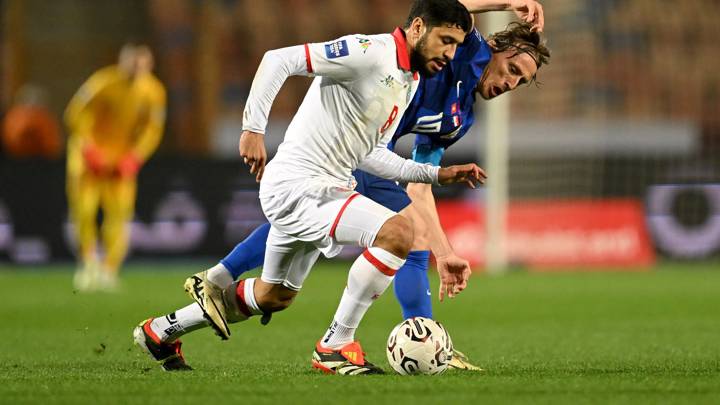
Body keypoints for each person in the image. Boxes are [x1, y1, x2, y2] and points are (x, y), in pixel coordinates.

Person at [135, 0, 483, 374]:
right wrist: (253, 128)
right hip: (300, 185)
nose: (449, 53)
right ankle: (336, 345)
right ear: (417, 28)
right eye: (444, 40)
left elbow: (370, 154)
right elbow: (277, 60)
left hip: (324, 188)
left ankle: (160, 331)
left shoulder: (409, 80)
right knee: (399, 233)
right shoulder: (368, 52)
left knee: (275, 296)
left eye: (455, 46)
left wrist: (435, 174)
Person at [65, 44, 166, 292]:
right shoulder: (102, 83)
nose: (135, 69)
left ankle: (109, 269)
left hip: (121, 162)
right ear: (122, 61)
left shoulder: (154, 92)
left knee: (120, 215)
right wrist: (89, 150)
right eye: (132, 62)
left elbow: (152, 130)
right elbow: (75, 115)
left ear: (149, 65)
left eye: (141, 64)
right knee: (84, 211)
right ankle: (88, 264)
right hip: (88, 159)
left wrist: (134, 157)